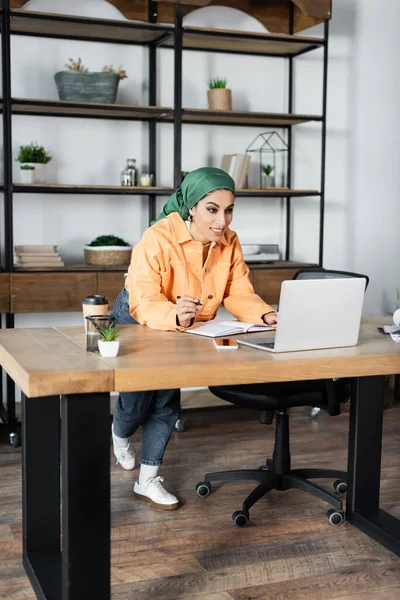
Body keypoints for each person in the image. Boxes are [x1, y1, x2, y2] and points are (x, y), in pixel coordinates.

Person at [111, 167, 278, 510]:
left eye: (229, 210)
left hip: (188, 325)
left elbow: (237, 291)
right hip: (139, 318)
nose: (223, 221)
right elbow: (144, 299)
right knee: (137, 402)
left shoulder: (228, 241)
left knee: (167, 401)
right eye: (212, 209)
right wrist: (172, 313)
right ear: (191, 207)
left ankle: (148, 479)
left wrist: (266, 315)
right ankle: (119, 434)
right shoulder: (157, 238)